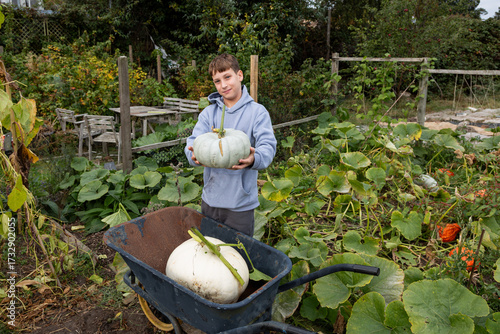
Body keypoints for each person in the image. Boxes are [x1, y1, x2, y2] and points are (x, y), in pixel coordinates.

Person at [185, 53, 277, 237]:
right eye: (217, 81)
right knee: (211, 251)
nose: (224, 85)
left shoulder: (257, 112)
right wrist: (194, 155)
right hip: (210, 201)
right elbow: (193, 142)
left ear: (240, 75)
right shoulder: (209, 113)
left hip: (240, 204)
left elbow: (268, 146)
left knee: (239, 255)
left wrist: (254, 158)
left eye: (227, 77)